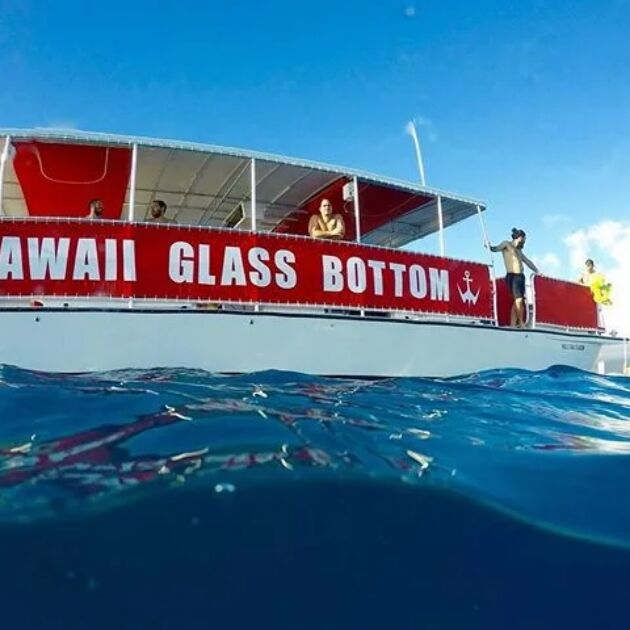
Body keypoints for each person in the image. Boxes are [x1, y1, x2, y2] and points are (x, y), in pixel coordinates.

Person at [489, 228, 539, 328]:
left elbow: (527, 261)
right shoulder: (507, 245)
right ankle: (520, 322)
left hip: (521, 277)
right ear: (519, 238)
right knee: (519, 300)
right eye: (524, 239)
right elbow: (496, 249)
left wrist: (537, 270)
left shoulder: (519, 251)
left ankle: (512, 323)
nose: (524, 242)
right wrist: (489, 246)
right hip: (512, 276)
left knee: (517, 301)